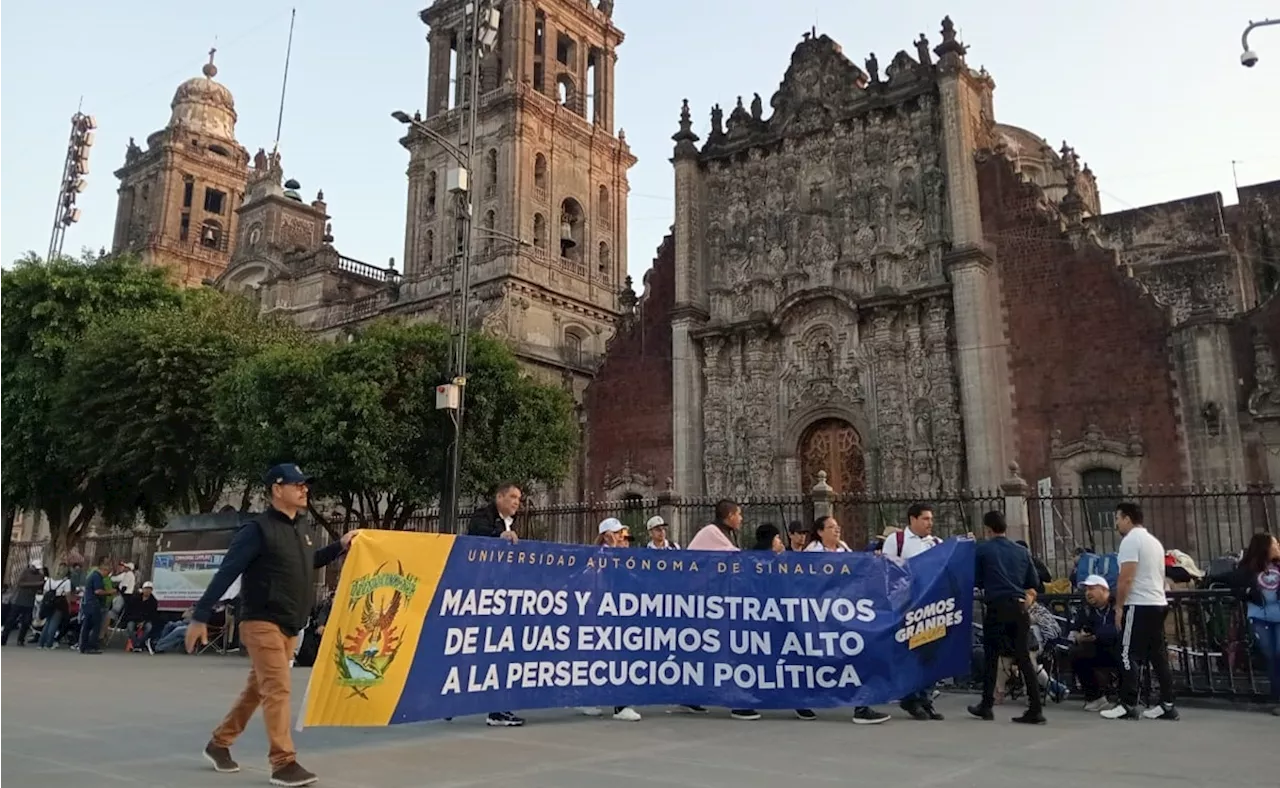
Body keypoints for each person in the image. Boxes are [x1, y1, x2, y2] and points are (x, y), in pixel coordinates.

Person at [188, 463, 358, 788]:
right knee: (278, 688)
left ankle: (219, 743)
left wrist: (340, 546)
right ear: (277, 490)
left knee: (258, 689)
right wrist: (200, 615)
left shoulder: (303, 530)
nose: (304, 489)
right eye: (297, 485)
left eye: (306, 485)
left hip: (290, 625)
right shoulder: (257, 530)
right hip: (261, 620)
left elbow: (309, 562)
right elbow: (227, 571)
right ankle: (283, 763)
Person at [801, 516, 891, 724]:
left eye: (837, 526)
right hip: (819, 614)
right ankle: (802, 699)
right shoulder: (811, 553)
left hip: (843, 613)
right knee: (813, 659)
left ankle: (861, 706)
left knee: (853, 655)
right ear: (820, 532)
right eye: (831, 527)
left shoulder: (844, 549)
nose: (837, 530)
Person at [1101, 502, 1178, 721]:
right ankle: (1167, 703)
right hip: (1158, 601)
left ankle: (1128, 703)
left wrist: (1119, 607)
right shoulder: (1154, 542)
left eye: (1117, 518)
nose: (1116, 524)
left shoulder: (1130, 541)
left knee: (1126, 653)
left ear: (1127, 518)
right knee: (1158, 654)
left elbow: (1126, 577)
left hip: (1139, 603)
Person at [682, 500, 758, 720]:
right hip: (705, 603)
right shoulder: (712, 532)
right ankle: (735, 700)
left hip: (713, 603)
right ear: (730, 515)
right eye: (739, 514)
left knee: (709, 651)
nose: (741, 519)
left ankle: (691, 695)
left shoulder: (720, 533)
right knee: (725, 650)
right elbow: (735, 557)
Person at [968, 510, 1046, 725]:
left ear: (988, 529)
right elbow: (1034, 581)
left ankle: (986, 704)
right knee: (1023, 657)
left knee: (992, 656)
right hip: (1019, 608)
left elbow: (977, 580)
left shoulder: (983, 549)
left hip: (997, 606)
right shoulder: (1021, 551)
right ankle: (1035, 707)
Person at [466, 482, 527, 729]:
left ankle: (498, 707)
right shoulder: (483, 516)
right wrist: (498, 537)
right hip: (485, 595)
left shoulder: (513, 522)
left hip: (505, 596)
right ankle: (495, 710)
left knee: (500, 652)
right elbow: (475, 537)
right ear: (499, 497)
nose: (516, 502)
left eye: (519, 498)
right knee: (489, 652)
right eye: (512, 497)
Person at [881, 503, 946, 721]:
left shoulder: (936, 543)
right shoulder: (897, 541)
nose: (930, 523)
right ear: (913, 519)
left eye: (931, 519)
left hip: (932, 606)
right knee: (909, 653)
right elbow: (887, 571)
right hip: (906, 605)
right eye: (926, 519)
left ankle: (926, 698)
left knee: (931, 654)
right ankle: (910, 698)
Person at [577, 519, 643, 722]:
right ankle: (619, 704)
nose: (625, 541)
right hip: (605, 613)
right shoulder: (601, 556)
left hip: (615, 612)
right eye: (620, 536)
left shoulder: (620, 557)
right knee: (614, 657)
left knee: (604, 656)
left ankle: (589, 698)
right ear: (608, 536)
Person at [1231, 532, 1280, 715]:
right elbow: (1234, 581)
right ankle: (1277, 697)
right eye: (1274, 543)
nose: (1277, 546)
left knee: (1279, 653)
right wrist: (1249, 591)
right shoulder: (1249, 568)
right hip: (1260, 617)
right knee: (1270, 656)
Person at [1068, 574, 1121, 711]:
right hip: (1096, 650)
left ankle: (1124, 699)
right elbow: (1073, 631)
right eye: (1086, 590)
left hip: (1118, 649)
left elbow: (1118, 629)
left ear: (1104, 590)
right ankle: (1096, 698)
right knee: (1075, 653)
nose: (1088, 593)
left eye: (1092, 589)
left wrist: (1097, 636)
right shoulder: (1085, 609)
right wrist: (1079, 636)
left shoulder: (1117, 606)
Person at [78, 555, 116, 655]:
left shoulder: (92, 575)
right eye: (107, 573)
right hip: (94, 604)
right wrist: (109, 592)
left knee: (87, 625)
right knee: (96, 626)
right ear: (104, 570)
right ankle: (92, 646)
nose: (107, 576)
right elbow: (98, 591)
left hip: (88, 603)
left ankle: (83, 646)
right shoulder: (97, 577)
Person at [0, 561, 44, 646]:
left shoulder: (40, 576)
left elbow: (41, 586)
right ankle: (3, 639)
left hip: (29, 601)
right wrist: (36, 584)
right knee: (10, 620)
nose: (36, 570)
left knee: (26, 622)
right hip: (19, 600)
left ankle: (20, 640)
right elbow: (21, 583)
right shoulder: (25, 572)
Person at [38, 569, 73, 649]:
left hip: (48, 603)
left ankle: (41, 643)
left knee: (47, 623)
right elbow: (67, 594)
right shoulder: (66, 582)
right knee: (54, 624)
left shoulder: (49, 580)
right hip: (59, 603)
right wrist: (69, 606)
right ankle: (49, 643)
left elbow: (45, 591)